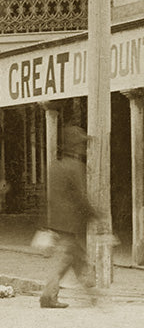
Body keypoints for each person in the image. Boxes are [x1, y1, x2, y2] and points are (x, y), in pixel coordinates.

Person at [40, 125, 103, 309]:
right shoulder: (75, 167)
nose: (83, 148)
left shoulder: (55, 166)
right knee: (67, 261)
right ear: (74, 146)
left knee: (76, 260)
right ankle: (47, 296)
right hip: (70, 223)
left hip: (57, 222)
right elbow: (80, 197)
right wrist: (95, 215)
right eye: (81, 144)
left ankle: (94, 297)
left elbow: (49, 197)